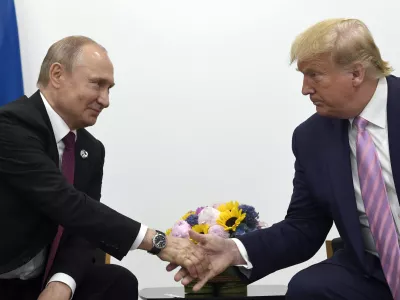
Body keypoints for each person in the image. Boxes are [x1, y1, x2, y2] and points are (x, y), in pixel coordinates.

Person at [170, 18, 400, 300]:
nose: (305, 88)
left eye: (314, 75)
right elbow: (304, 226)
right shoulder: (312, 137)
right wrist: (235, 250)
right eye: (303, 75)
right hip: (372, 271)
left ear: (356, 73)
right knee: (309, 289)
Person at [0, 36, 209, 300]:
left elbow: (83, 229)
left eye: (109, 88)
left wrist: (62, 283)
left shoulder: (90, 149)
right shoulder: (10, 126)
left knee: (117, 282)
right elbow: (66, 202)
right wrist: (158, 242)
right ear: (57, 74)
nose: (105, 100)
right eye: (97, 85)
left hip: (41, 281)